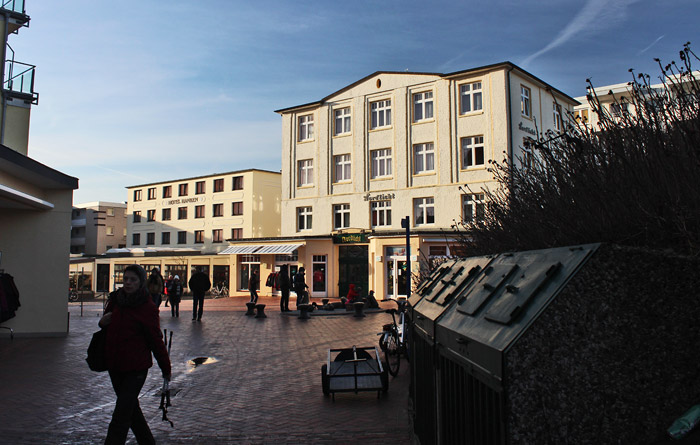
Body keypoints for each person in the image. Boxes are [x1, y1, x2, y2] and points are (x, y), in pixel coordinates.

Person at [98, 264, 171, 444]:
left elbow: (156, 340)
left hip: (136, 368)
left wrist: (165, 367)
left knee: (121, 414)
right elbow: (105, 325)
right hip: (115, 365)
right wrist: (102, 322)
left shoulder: (147, 307)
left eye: (133, 280)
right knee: (131, 410)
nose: (128, 283)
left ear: (141, 282)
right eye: (126, 279)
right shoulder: (116, 300)